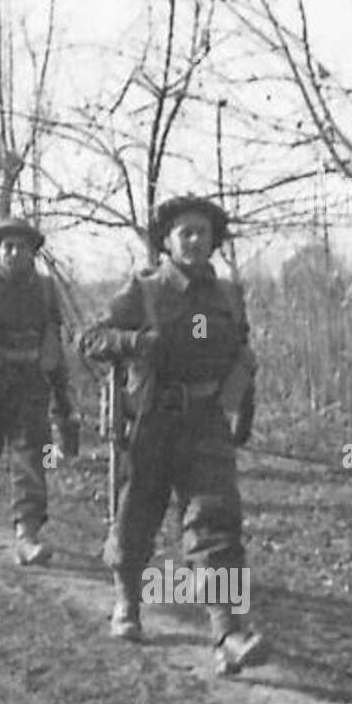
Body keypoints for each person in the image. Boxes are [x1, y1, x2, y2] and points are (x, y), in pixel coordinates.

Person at [78, 194, 266, 677]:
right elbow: (91, 339)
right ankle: (127, 602)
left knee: (216, 525)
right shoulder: (145, 291)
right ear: (166, 241)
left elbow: (242, 356)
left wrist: (241, 412)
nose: (196, 240)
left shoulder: (227, 296)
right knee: (137, 515)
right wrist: (135, 342)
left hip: (207, 422)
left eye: (204, 232)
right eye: (186, 232)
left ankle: (227, 632)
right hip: (153, 422)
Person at [0, 217, 76, 566]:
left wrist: (62, 396)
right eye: (7, 246)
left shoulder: (46, 289)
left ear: (32, 253)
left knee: (31, 454)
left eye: (22, 246)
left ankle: (27, 533)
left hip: (30, 379)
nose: (14, 252)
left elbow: (54, 336)